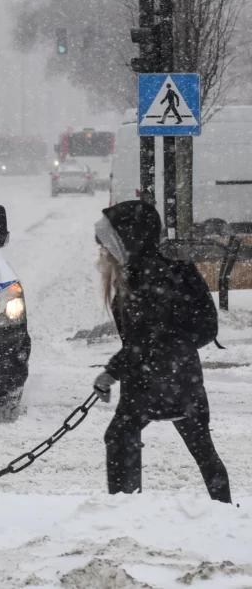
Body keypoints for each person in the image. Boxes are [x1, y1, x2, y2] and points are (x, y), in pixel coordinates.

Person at [93, 200, 231, 503]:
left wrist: (109, 374)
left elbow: (144, 338)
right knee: (202, 448)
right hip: (179, 374)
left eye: (108, 243)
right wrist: (177, 347)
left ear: (128, 238)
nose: (103, 252)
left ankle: (125, 507)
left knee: (119, 437)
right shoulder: (158, 270)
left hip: (151, 377)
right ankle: (224, 509)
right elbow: (184, 330)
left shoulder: (145, 275)